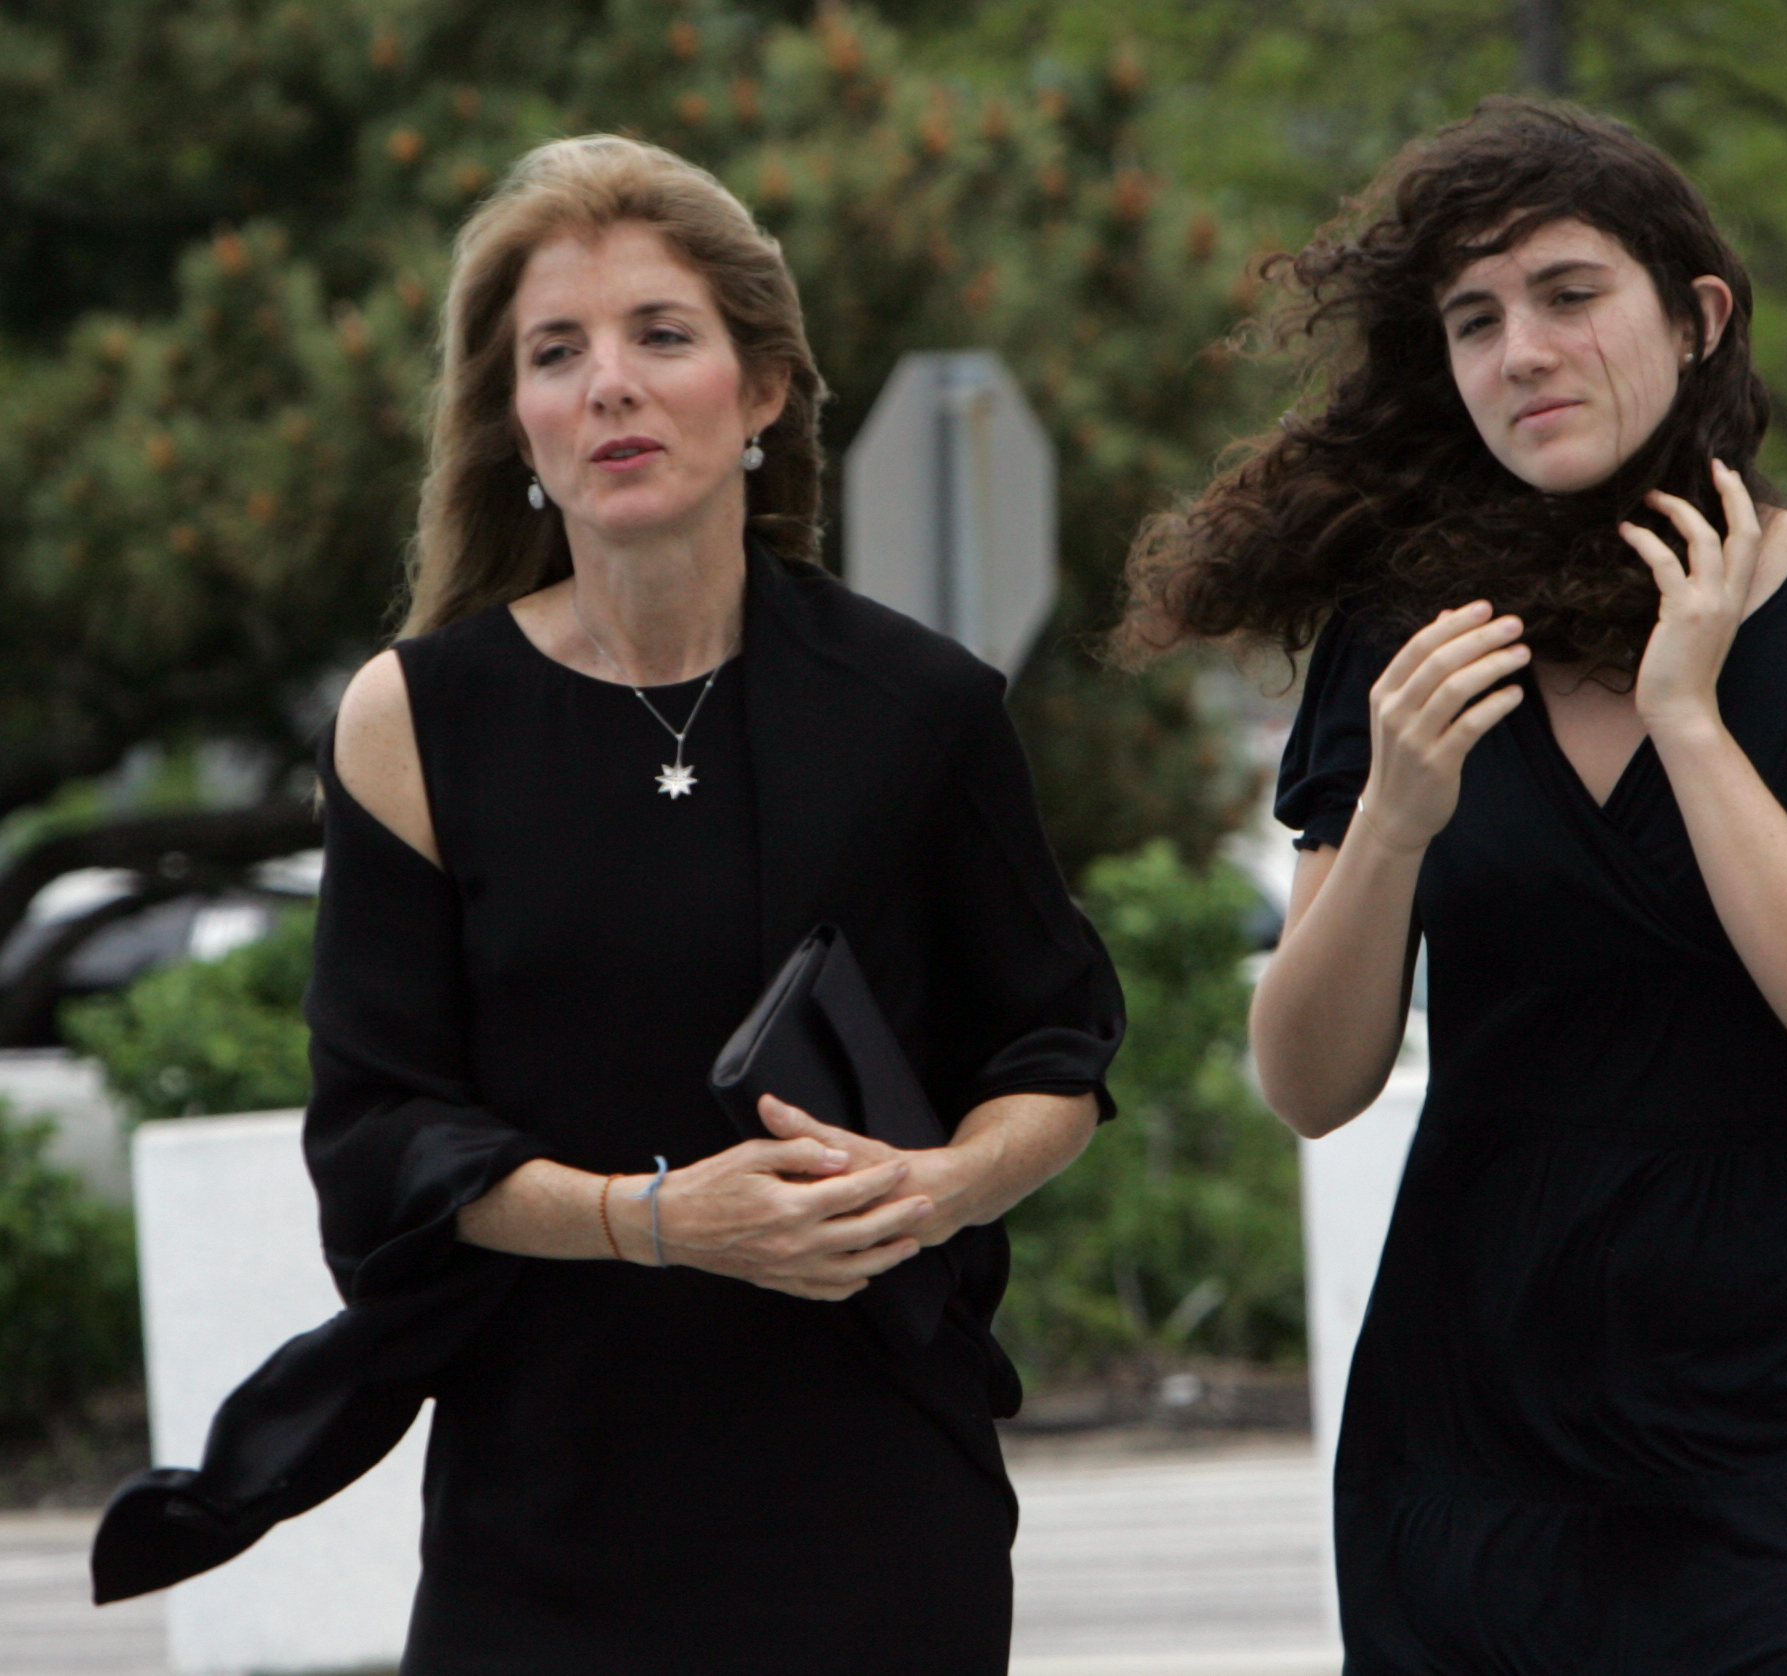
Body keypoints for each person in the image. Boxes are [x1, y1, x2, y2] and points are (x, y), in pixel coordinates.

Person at [92, 136, 1124, 1673]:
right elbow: (381, 1140)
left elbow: (1055, 1055)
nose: (609, 386)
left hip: (873, 1491)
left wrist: (938, 1192)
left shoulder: (917, 704)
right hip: (548, 1501)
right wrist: (654, 1220)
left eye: (662, 335)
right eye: (556, 353)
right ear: (517, 420)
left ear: (763, 390)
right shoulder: (415, 720)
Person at [1120, 100, 1787, 1673]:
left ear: (1696, 313)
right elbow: (1310, 1085)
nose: (1521, 351)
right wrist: (1390, 817)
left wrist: (1690, 722)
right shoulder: (1404, 646)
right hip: (1471, 1431)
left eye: (1568, 293)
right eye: (1474, 319)